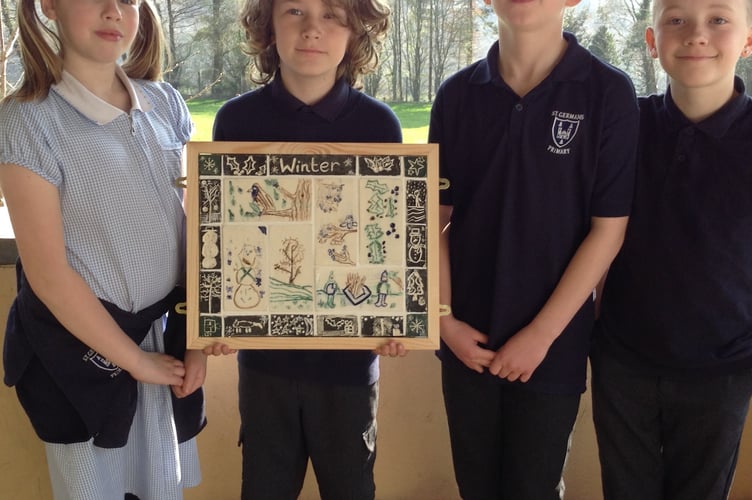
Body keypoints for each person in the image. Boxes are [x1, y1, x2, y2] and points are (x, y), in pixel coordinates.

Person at [0, 0, 210, 498]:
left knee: (162, 488)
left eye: (131, 0)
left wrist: (199, 340)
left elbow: (200, 234)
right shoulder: (27, 122)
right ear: (48, 6)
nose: (115, 11)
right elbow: (48, 275)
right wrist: (135, 363)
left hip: (163, 345)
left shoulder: (165, 103)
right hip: (82, 354)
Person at [429, 0, 639, 497]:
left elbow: (608, 231)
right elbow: (430, 220)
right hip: (465, 343)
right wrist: (443, 321)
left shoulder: (608, 93)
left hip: (553, 348)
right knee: (476, 486)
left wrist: (541, 336)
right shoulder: (457, 95)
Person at [211, 0, 404, 498]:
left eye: (333, 15)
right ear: (267, 27)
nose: (313, 29)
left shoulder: (380, 127)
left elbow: (388, 241)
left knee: (351, 488)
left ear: (356, 31)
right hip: (263, 366)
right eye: (295, 11)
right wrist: (215, 314)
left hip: (348, 368)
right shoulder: (236, 122)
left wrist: (401, 315)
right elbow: (221, 237)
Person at [591, 0, 752, 498]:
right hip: (622, 361)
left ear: (748, 39)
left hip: (724, 368)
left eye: (719, 20)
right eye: (676, 20)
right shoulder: (623, 127)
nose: (697, 35)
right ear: (652, 40)